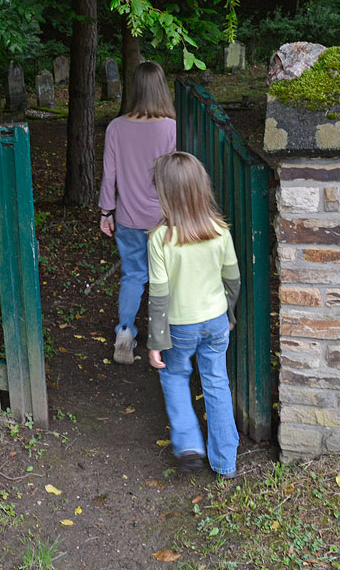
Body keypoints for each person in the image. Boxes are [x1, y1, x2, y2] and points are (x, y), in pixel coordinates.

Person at [145, 152, 241, 479]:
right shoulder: (219, 229)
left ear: (165, 194)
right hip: (215, 322)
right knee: (217, 383)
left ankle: (188, 444)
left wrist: (155, 340)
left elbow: (159, 294)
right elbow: (233, 279)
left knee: (174, 376)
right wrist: (228, 313)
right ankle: (226, 462)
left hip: (179, 327)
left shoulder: (160, 238)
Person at [98, 61, 176, 365]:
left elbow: (109, 175)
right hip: (163, 218)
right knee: (165, 278)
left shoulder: (116, 127)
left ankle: (125, 332)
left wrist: (107, 211)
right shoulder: (172, 128)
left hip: (128, 218)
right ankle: (163, 339)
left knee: (133, 276)